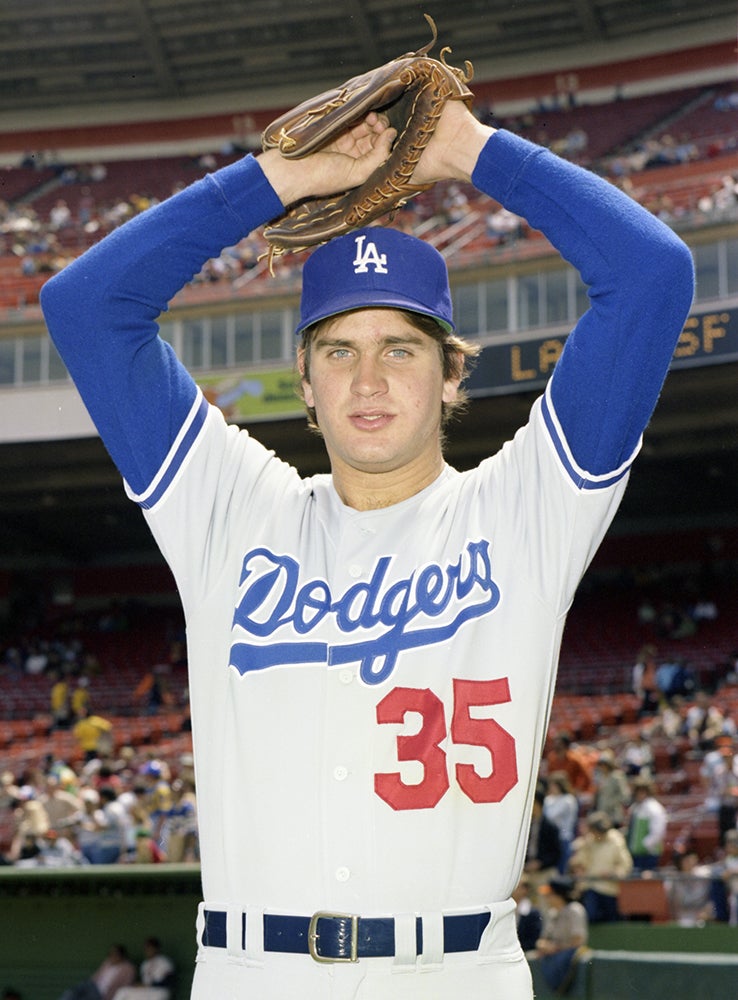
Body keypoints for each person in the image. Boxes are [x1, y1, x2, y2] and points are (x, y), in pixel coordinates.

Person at [40, 79, 694, 1000]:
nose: (369, 378)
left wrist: (470, 149)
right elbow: (86, 306)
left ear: (450, 374)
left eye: (402, 348)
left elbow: (653, 276)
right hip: (252, 972)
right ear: (303, 382)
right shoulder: (229, 508)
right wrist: (279, 177)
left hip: (456, 970)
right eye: (339, 350)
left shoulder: (527, 507)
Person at [569, 810, 633, 923]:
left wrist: (613, 873)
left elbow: (625, 865)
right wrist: (577, 865)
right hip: (590, 886)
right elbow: (580, 860)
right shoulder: (588, 841)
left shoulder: (616, 840)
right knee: (591, 916)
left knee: (610, 920)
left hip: (609, 888)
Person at [533, 876, 589, 995]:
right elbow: (543, 940)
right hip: (554, 956)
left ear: (559, 895)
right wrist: (543, 945)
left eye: (550, 895)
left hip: (568, 958)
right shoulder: (552, 912)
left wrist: (555, 948)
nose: (547, 898)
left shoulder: (575, 910)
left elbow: (578, 941)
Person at [58, 944, 136, 1000]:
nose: (111, 956)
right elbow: (97, 975)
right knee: (70, 993)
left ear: (120, 955)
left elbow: (126, 984)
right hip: (92, 985)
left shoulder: (128, 968)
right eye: (110, 954)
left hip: (103, 993)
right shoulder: (108, 963)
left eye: (114, 954)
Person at [111, 937, 176, 1000]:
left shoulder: (165, 962)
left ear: (156, 948)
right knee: (123, 991)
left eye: (150, 948)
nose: (147, 950)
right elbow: (145, 981)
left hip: (160, 991)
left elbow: (169, 981)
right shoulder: (145, 964)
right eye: (146, 948)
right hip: (147, 991)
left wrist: (150, 985)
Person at [627, 776, 668, 872]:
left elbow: (658, 831)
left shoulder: (654, 808)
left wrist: (645, 845)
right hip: (635, 853)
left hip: (648, 854)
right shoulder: (635, 807)